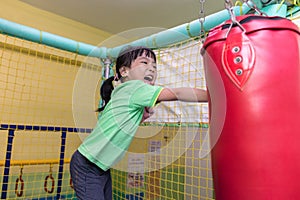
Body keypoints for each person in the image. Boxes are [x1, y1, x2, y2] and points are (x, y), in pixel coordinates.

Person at [70, 46, 208, 199]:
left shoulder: (122, 91)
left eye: (154, 66)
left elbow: (124, 120)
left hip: (98, 166)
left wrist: (142, 116)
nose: (152, 69)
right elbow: (178, 93)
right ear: (124, 72)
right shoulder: (134, 87)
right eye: (144, 62)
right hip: (88, 165)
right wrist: (212, 95)